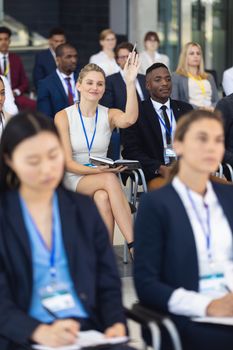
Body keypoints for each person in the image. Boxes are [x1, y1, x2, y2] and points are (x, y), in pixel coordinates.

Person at [0, 111, 129, 350]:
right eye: (33, 160)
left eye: (53, 156)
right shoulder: (5, 216)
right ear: (9, 159)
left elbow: (107, 279)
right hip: (26, 335)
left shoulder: (82, 209)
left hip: (85, 330)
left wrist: (115, 323)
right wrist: (37, 332)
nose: (47, 169)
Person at [134, 109, 233, 350]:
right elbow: (147, 284)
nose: (211, 147)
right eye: (202, 139)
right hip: (190, 314)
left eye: (218, 140)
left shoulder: (229, 197)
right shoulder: (156, 204)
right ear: (178, 145)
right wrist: (206, 306)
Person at [55, 54, 140, 253]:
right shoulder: (63, 116)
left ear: (104, 89)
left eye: (100, 84)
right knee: (109, 180)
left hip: (100, 178)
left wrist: (130, 82)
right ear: (79, 86)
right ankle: (134, 244)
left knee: (103, 197)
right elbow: (67, 163)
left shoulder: (108, 114)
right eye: (90, 83)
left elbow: (130, 119)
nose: (95, 87)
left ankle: (104, 257)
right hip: (74, 177)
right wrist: (100, 172)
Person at [122, 63, 192, 190]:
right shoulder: (137, 112)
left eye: (168, 79)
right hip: (157, 173)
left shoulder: (186, 109)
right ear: (148, 85)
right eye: (158, 80)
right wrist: (159, 168)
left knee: (224, 189)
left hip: (188, 170)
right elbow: (131, 151)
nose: (165, 83)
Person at [100, 41, 149, 110]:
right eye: (122, 57)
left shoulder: (145, 79)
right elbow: (108, 109)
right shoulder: (110, 81)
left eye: (129, 56)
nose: (127, 60)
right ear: (117, 60)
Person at [37, 43, 80, 119]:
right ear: (58, 60)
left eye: (75, 56)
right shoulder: (45, 84)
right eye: (68, 57)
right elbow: (45, 117)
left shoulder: (83, 79)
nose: (74, 60)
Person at [171, 42, 219, 110]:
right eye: (191, 53)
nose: (195, 56)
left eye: (198, 53)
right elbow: (175, 102)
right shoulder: (176, 76)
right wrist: (199, 108)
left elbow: (217, 100)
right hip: (191, 114)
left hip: (211, 113)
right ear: (185, 56)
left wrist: (211, 108)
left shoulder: (209, 77)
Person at [0, 26, 36, 110]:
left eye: (6, 39)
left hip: (15, 96)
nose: (3, 42)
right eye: (0, 39)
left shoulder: (16, 59)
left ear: (9, 41)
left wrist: (15, 92)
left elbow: (25, 83)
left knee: (35, 105)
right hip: (0, 96)